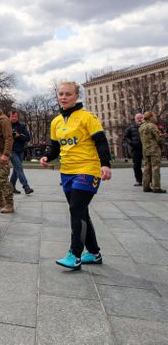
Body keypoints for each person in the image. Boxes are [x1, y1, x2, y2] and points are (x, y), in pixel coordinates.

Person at [40, 81, 112, 270]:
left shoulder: (87, 117)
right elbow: (55, 147)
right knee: (81, 212)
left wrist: (105, 164)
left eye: (68, 94)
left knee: (76, 209)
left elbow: (101, 142)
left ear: (76, 96)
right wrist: (47, 156)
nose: (63, 97)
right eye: (61, 94)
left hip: (87, 169)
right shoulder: (56, 121)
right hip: (67, 172)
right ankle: (95, 253)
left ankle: (75, 254)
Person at [139, 111, 165, 193]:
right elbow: (158, 139)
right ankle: (156, 187)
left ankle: (146, 186)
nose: (155, 118)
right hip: (154, 150)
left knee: (147, 168)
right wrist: (163, 137)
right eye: (154, 116)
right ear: (150, 117)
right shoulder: (152, 126)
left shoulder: (141, 127)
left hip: (145, 150)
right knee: (155, 168)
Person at [9, 110, 34, 195]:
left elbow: (28, 138)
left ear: (18, 117)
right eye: (12, 116)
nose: (14, 118)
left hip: (21, 150)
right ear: (9, 117)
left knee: (16, 169)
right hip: (11, 150)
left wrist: (18, 136)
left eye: (15, 116)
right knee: (19, 167)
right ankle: (26, 186)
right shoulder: (7, 126)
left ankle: (11, 186)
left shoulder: (22, 126)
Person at [123, 113, 144, 187]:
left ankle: (149, 180)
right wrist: (131, 143)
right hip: (136, 149)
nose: (139, 119)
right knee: (136, 166)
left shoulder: (147, 126)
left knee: (149, 165)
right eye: (138, 118)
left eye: (141, 117)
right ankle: (139, 180)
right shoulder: (131, 128)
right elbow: (125, 137)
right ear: (135, 119)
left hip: (146, 148)